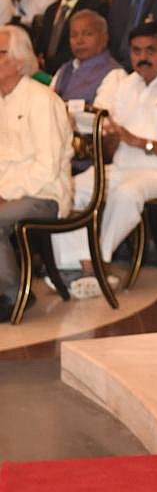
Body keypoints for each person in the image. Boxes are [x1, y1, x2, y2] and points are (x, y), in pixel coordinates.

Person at [51, 22, 157, 298]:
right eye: (136, 51)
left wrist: (140, 142)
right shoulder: (127, 85)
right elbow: (113, 143)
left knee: (127, 193)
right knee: (70, 188)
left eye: (150, 50)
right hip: (124, 165)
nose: (142, 57)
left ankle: (97, 263)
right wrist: (110, 136)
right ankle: (75, 265)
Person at [0, 26, 72, 322]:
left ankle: (11, 295)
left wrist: (4, 194)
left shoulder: (42, 100)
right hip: (8, 191)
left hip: (45, 194)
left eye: (1, 53)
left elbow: (47, 166)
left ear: (19, 61)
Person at [32, 0, 108, 76]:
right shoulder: (51, 10)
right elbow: (43, 45)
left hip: (79, 73)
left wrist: (53, 64)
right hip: (48, 75)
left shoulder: (95, 7)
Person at [51, 8, 123, 106]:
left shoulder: (114, 74)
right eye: (74, 35)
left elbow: (100, 117)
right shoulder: (64, 69)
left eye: (88, 34)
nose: (79, 41)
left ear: (104, 38)